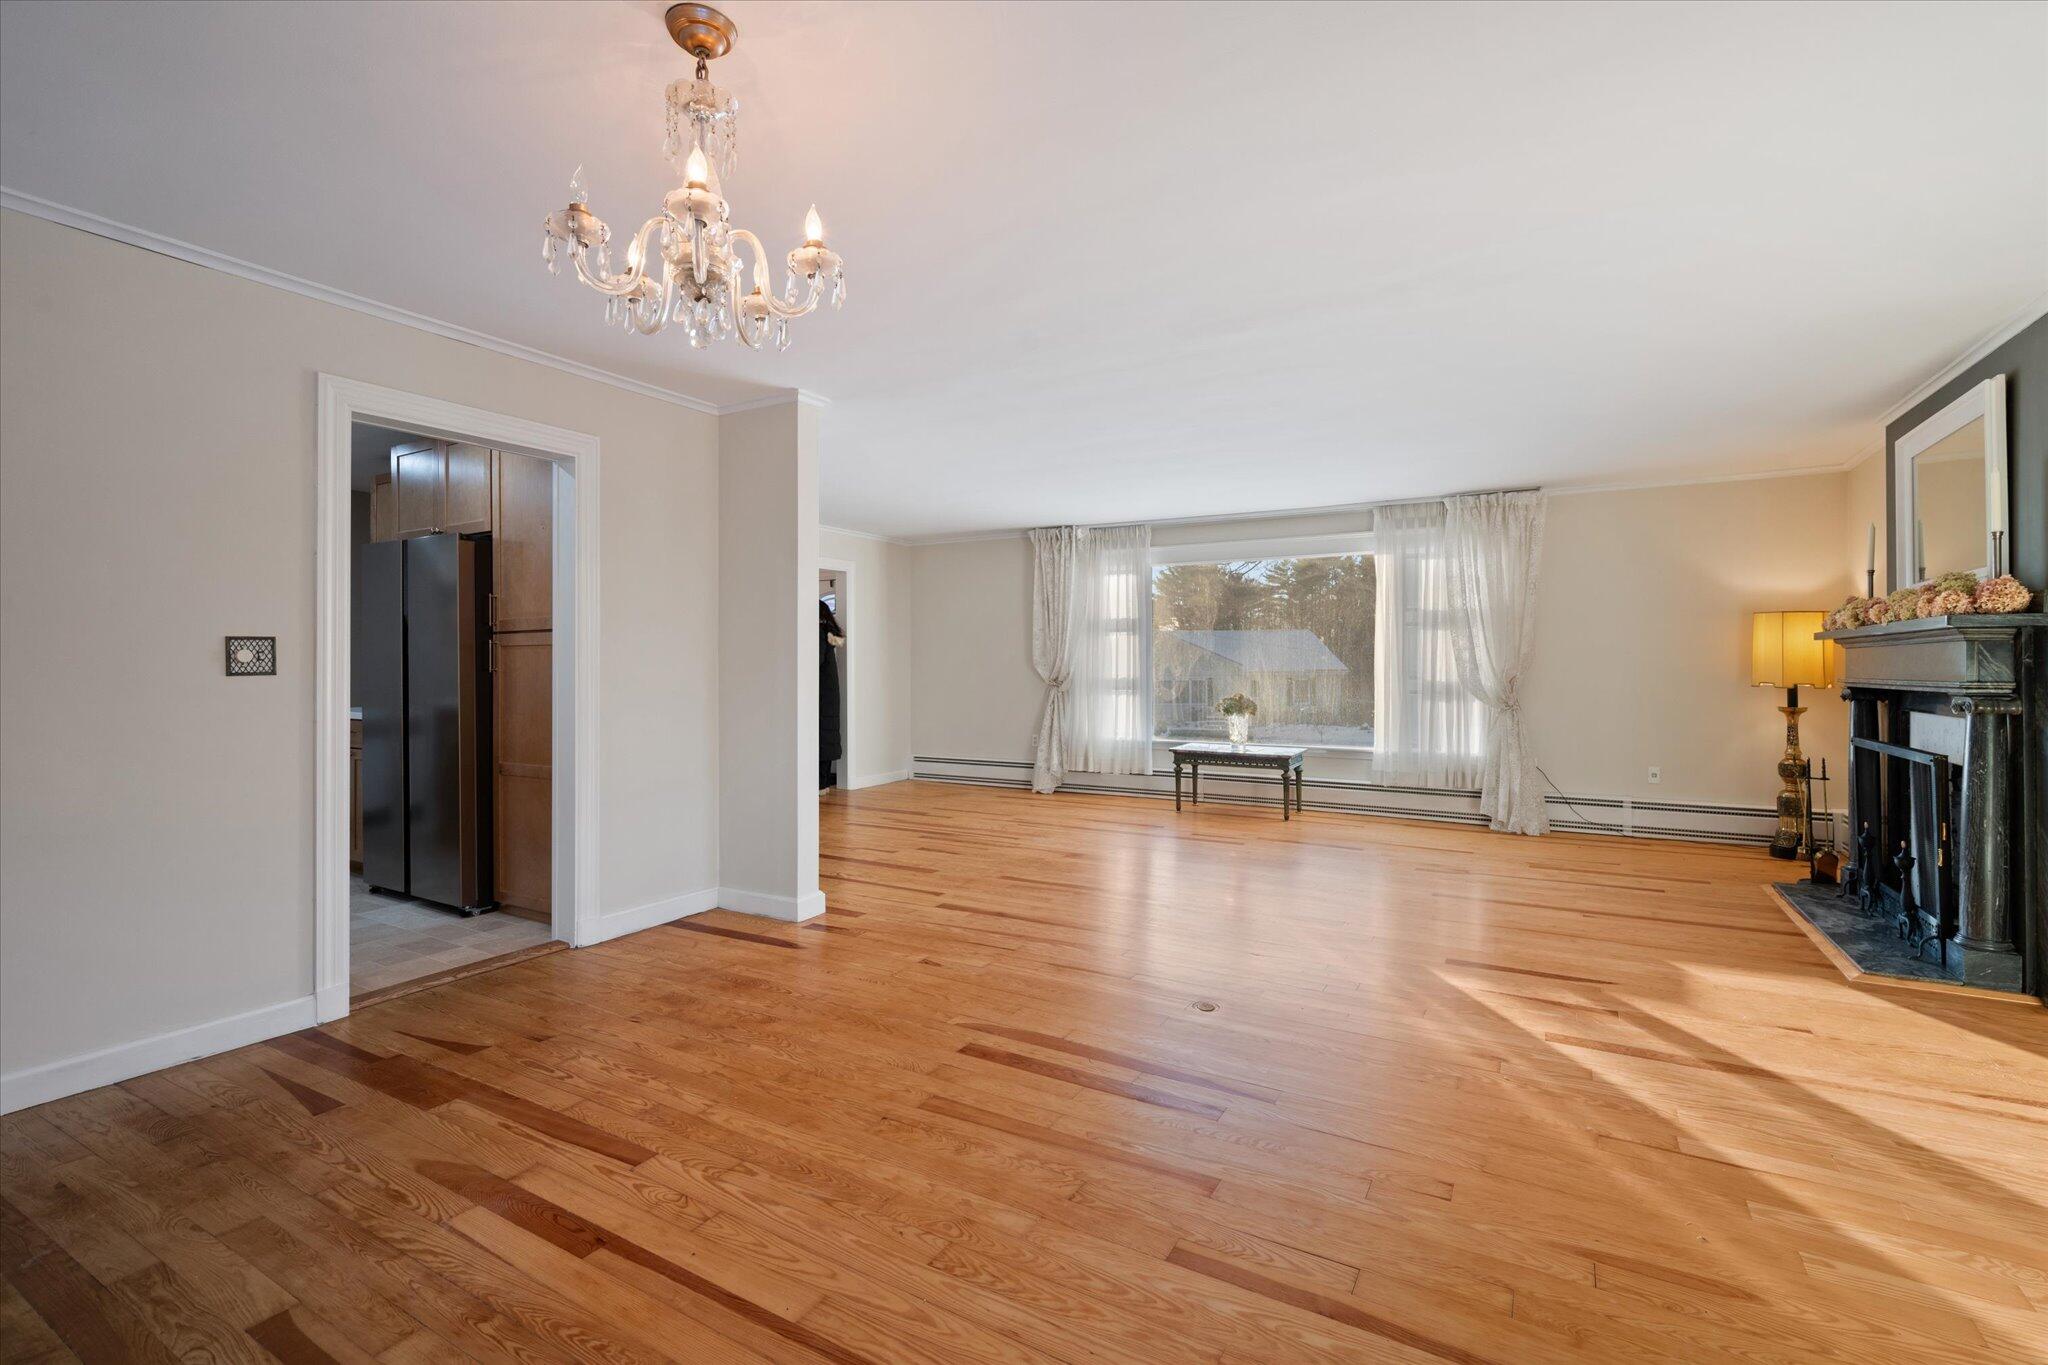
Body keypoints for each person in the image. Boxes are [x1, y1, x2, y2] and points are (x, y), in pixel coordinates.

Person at [820, 599, 845, 791]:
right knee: (825, 739)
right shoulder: (828, 636)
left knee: (821, 739)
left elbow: (814, 664)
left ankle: (820, 784)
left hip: (821, 698)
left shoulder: (819, 637)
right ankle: (822, 783)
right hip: (828, 699)